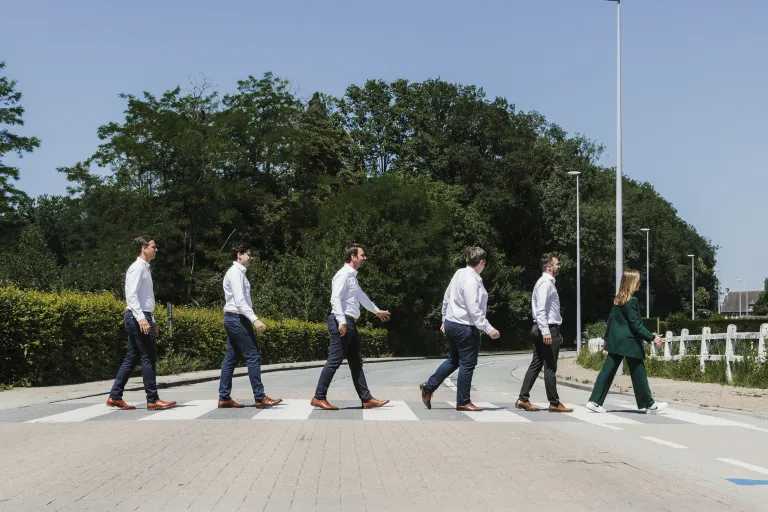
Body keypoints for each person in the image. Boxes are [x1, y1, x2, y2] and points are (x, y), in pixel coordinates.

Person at [310, 244, 391, 410]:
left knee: (356, 362)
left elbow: (362, 297)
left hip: (350, 322)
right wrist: (341, 322)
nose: (364, 258)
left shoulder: (352, 277)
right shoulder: (343, 275)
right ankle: (319, 397)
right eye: (362, 255)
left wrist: (376, 311)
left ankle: (366, 399)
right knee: (334, 361)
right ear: (353, 257)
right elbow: (335, 298)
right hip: (342, 321)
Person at [419, 247, 500, 412]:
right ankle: (463, 401)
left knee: (454, 360)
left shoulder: (459, 273)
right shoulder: (471, 280)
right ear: (481, 262)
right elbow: (473, 309)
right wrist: (488, 328)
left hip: (452, 323)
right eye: (485, 262)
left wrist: (444, 318)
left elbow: (447, 296)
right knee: (467, 364)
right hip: (465, 326)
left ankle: (429, 386)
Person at [107, 237, 177, 411]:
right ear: (143, 248)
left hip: (141, 316)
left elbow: (145, 299)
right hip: (136, 316)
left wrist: (152, 321)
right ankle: (152, 399)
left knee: (131, 358)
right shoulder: (137, 268)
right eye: (153, 247)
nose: (156, 249)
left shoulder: (145, 268)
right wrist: (141, 319)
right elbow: (131, 296)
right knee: (148, 357)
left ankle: (115, 396)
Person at [586, 269, 667, 414]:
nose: (640, 283)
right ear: (632, 282)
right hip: (630, 343)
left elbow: (610, 320)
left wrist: (606, 338)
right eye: (638, 280)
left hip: (616, 342)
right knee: (638, 373)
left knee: (607, 372)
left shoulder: (618, 300)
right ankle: (649, 405)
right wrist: (652, 337)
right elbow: (635, 325)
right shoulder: (632, 301)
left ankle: (594, 401)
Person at [217, 242, 282, 409]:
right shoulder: (235, 273)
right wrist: (255, 319)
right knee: (253, 356)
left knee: (230, 359)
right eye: (249, 254)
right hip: (237, 318)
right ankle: (260, 397)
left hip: (234, 318)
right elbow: (240, 302)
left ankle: (224, 398)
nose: (251, 258)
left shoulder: (239, 273)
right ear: (239, 255)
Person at [515, 253, 573, 413]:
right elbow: (540, 310)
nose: (559, 266)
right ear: (549, 266)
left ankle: (523, 398)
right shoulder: (545, 284)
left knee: (536, 364)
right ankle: (554, 402)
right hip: (545, 328)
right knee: (550, 367)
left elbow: (549, 311)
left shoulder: (546, 283)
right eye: (557, 264)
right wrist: (547, 331)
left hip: (546, 328)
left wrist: (556, 331)